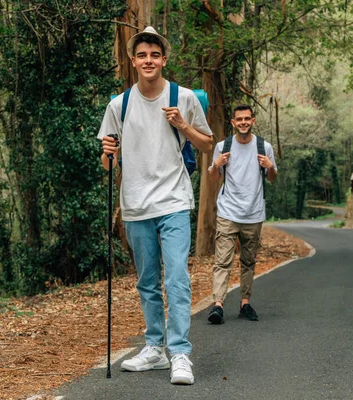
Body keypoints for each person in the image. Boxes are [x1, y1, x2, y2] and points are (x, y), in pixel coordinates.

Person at [98, 26, 213, 385]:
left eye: (155, 54)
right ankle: (154, 349)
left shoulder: (183, 98)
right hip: (135, 205)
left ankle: (180, 353)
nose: (149, 60)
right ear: (133, 61)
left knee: (176, 277)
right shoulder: (119, 105)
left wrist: (182, 125)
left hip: (174, 200)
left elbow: (208, 144)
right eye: (142, 55)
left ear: (163, 59)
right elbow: (108, 162)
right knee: (147, 282)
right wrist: (108, 154)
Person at [206, 105, 278, 325]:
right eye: (240, 119)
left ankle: (245, 303)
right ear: (233, 122)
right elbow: (213, 178)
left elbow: (272, 178)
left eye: (247, 118)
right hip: (228, 211)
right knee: (222, 261)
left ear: (253, 121)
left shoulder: (263, 147)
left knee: (248, 261)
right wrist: (215, 165)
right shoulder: (222, 146)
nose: (244, 122)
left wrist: (270, 166)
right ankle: (218, 305)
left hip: (254, 214)